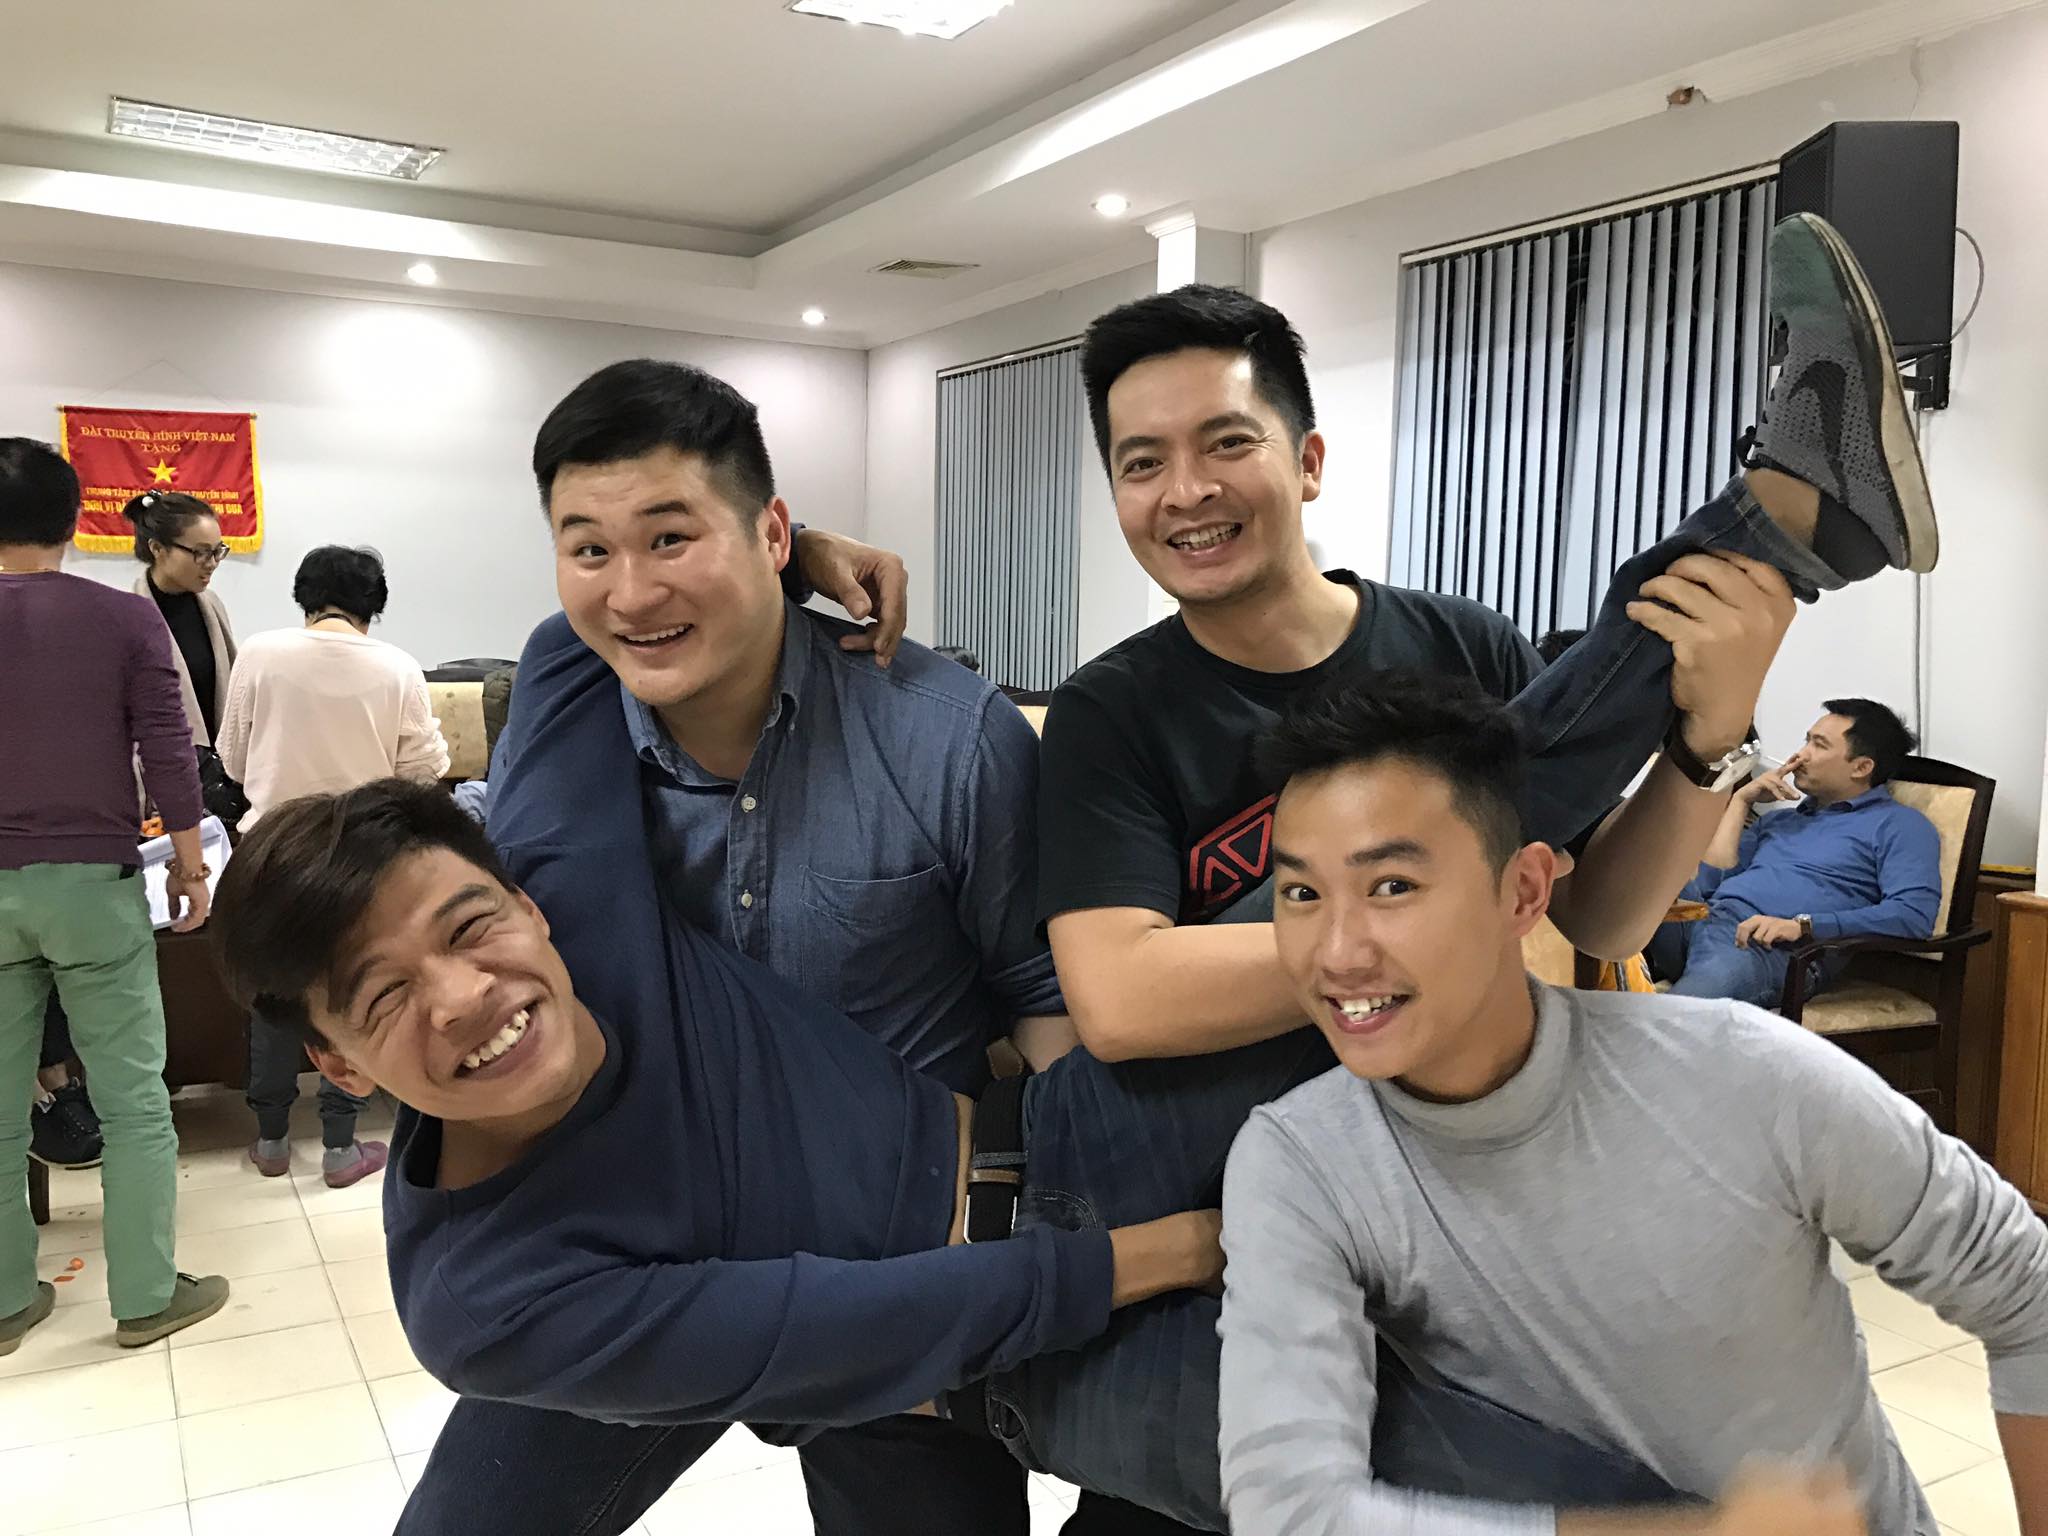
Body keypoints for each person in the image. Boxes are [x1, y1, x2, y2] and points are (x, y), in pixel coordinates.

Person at [211, 769, 1682, 1535]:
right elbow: (837, 1328)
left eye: (471, 929)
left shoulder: (586, 897)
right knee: (1461, 1481)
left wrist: (798, 555)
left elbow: (577, 636)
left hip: (1060, 1128)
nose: (463, 998)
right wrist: (1168, 1255)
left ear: (525, 902)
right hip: (1008, 1356)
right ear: (336, 1065)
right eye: (385, 1000)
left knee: (1406, 854)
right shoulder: (484, 1297)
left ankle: (1764, 523)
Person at [397, 359, 1081, 1536]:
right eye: (588, 548)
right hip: (633, 1246)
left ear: (767, 531)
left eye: (671, 537)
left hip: (883, 1261)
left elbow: (1040, 1001)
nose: (629, 592)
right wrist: (789, 552)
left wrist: (1049, 1245)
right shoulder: (563, 690)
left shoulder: (943, 738)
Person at [1039, 214, 1931, 1078]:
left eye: (1227, 443)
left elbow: (1603, 921)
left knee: (1473, 798)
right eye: (1142, 463)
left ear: (1308, 463)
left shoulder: (1463, 645)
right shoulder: (1108, 713)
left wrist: (1707, 743)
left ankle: (1783, 526)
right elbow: (1123, 1003)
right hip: (1214, 1128)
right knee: (1454, 810)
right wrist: (1442, 910)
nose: (1185, 491)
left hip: (1458, 1119)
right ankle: (1780, 524)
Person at [1216, 674, 2048, 1536]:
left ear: (1524, 892)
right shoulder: (1300, 1162)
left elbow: (2028, 1290)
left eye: (1391, 886)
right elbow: (1291, 1510)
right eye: (1301, 893)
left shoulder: (1748, 1076)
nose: (1336, 954)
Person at [0, 438, 229, 1357]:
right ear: (73, 520)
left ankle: (6, 1303)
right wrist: (191, 865)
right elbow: (169, 751)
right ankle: (145, 1296)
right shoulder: (124, 621)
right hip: (94, 883)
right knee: (134, 1100)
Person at [216, 544, 450, 1187]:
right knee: (351, 995)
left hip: (271, 855)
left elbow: (232, 760)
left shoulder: (260, 653)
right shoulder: (397, 666)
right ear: (374, 603)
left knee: (273, 996)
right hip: (359, 860)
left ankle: (270, 1140)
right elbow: (423, 771)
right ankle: (342, 1146)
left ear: (305, 595)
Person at [1646, 698, 1942, 1007]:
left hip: (1770, 950)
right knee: (1635, 863)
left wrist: (1804, 925)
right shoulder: (1780, 820)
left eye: (1819, 745)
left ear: (1862, 767)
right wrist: (1741, 801)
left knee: (1674, 1015)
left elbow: (1913, 916)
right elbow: (1708, 883)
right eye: (1806, 740)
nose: (1801, 754)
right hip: (1703, 923)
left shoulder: (1899, 825)